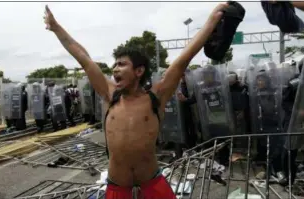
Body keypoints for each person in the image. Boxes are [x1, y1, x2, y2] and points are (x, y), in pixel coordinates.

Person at [44, 3, 228, 199]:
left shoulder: (155, 97)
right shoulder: (110, 95)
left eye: (122, 64)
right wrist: (56, 27)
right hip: (117, 188)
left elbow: (184, 58)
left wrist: (212, 21)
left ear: (139, 71)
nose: (115, 69)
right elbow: (83, 58)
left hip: (152, 184)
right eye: (114, 64)